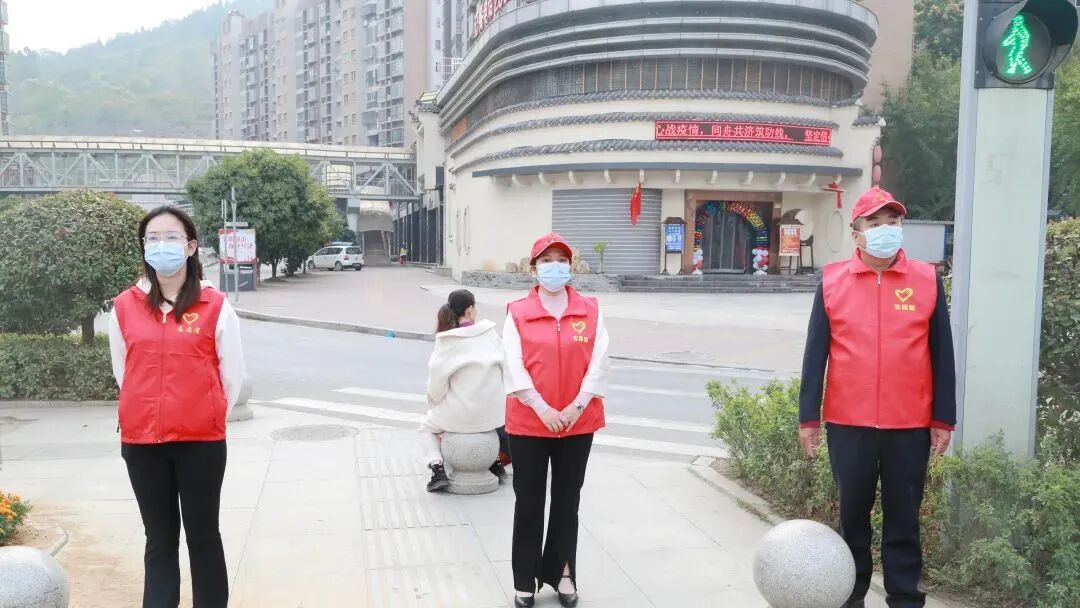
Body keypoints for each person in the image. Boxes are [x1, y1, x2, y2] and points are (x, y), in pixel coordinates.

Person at [798, 187, 956, 608]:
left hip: (910, 423)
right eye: (875, 222)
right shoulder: (832, 281)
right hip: (849, 424)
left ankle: (904, 598)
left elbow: (942, 354)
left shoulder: (926, 280)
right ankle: (850, 596)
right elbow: (815, 355)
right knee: (852, 520)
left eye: (893, 221)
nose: (886, 229)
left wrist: (943, 418)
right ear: (857, 233)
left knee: (904, 520)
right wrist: (808, 417)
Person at [108, 206, 246, 608]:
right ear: (144, 247)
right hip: (142, 443)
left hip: (201, 442)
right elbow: (124, 371)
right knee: (159, 538)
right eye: (152, 238)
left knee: (203, 536)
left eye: (171, 237)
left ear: (190, 246)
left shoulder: (215, 305)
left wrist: (203, 413)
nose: (161, 245)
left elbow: (231, 377)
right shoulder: (125, 306)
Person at [502, 233, 610, 608]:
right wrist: (542, 408)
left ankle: (564, 574)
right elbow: (513, 365)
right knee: (528, 503)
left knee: (567, 501)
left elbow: (599, 361)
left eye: (561, 260)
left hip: (577, 422)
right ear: (533, 270)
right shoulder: (517, 312)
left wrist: (576, 406)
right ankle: (524, 580)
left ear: (570, 266)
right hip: (530, 423)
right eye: (546, 261)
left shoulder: (590, 309)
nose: (555, 267)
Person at [421, 289, 509, 492]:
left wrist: (436, 403)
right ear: (470, 310)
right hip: (495, 416)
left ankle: (437, 469)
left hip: (460, 417)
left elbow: (436, 389)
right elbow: (505, 370)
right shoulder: (490, 334)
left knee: (426, 427)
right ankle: (495, 462)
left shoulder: (447, 341)